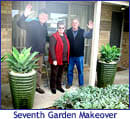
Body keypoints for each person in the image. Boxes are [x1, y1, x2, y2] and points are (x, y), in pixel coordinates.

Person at [17, 4, 48, 94]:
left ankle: (37, 87)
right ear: (38, 16)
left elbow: (46, 37)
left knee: (38, 71)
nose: (44, 17)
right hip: (31, 53)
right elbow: (19, 23)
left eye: (45, 16)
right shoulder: (32, 23)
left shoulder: (45, 26)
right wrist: (25, 14)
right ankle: (28, 88)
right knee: (29, 70)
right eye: (42, 15)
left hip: (40, 53)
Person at [66, 18, 93, 89]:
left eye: (76, 23)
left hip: (79, 56)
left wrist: (91, 29)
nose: (74, 24)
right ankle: (69, 83)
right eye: (73, 23)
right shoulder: (68, 32)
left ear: (78, 24)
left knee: (80, 71)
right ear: (71, 24)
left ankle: (81, 84)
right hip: (71, 56)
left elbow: (89, 36)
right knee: (69, 70)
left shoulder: (82, 31)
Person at [48, 21, 70, 94]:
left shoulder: (65, 36)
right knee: (54, 74)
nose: (61, 29)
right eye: (59, 28)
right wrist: (54, 59)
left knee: (60, 73)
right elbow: (51, 49)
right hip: (56, 59)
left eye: (62, 28)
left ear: (64, 28)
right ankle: (53, 87)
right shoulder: (53, 37)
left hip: (63, 59)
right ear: (57, 28)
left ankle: (58, 86)